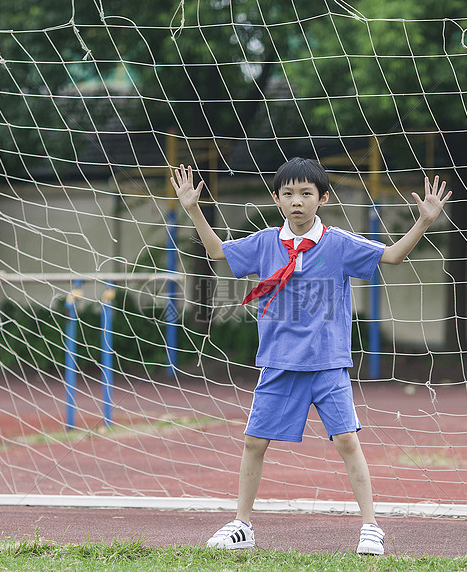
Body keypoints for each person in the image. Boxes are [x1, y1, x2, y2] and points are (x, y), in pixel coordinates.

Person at [170, 157, 450, 555]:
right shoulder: (265, 242)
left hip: (327, 363)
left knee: (348, 442)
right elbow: (216, 252)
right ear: (277, 199)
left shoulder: (338, 244)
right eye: (288, 194)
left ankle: (371, 527)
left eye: (306, 193)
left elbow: (392, 256)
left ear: (322, 198)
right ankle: (242, 525)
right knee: (253, 443)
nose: (296, 201)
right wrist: (192, 207)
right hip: (279, 364)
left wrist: (423, 221)